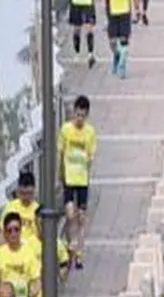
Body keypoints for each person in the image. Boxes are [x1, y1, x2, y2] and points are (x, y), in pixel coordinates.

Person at [58, 96, 97, 267]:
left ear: (87, 115)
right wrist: (59, 175)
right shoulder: (66, 130)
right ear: (74, 113)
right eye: (77, 115)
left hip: (82, 180)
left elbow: (90, 158)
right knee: (70, 214)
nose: (79, 119)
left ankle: (79, 251)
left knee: (81, 217)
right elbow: (60, 153)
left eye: (83, 115)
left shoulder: (90, 132)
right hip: (69, 177)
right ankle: (71, 242)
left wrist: (88, 177)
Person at [105, 0, 133, 76]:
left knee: (124, 40)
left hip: (125, 12)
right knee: (112, 43)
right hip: (112, 13)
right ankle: (117, 54)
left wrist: (138, 10)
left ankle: (122, 66)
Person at [69, 0, 98, 68]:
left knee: (79, 28)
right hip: (82, 4)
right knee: (81, 28)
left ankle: (83, 55)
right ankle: (86, 54)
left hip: (80, 4)